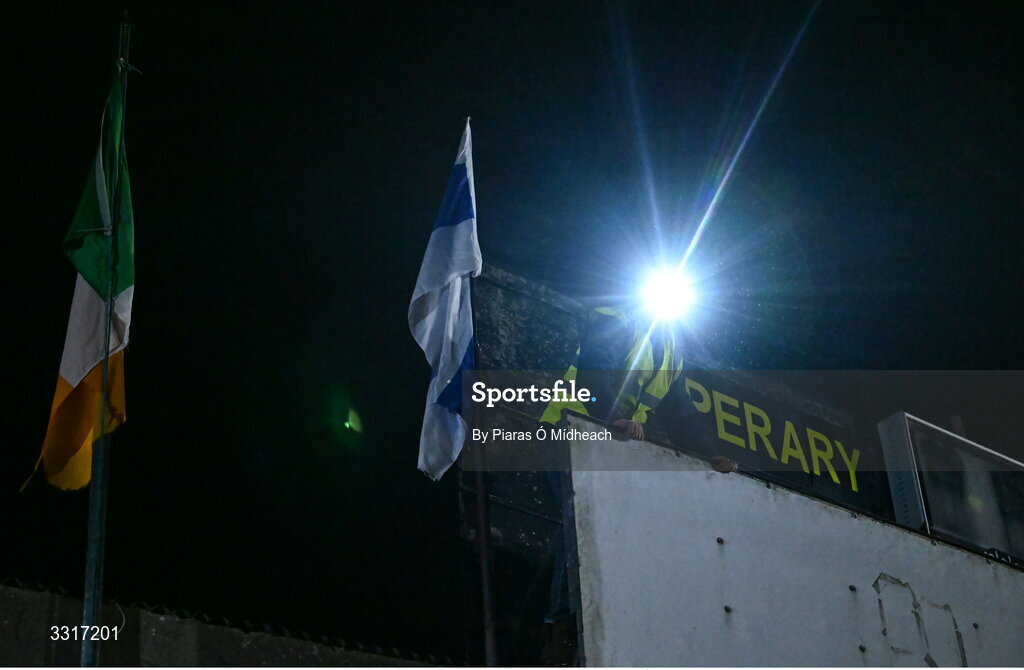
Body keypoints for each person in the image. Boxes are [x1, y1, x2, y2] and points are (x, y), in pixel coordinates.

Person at [537, 303, 737, 665]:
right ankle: (560, 627)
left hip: (606, 443)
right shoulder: (618, 318)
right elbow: (593, 373)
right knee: (577, 518)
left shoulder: (672, 354)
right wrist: (617, 418)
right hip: (564, 430)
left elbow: (681, 414)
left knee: (594, 523)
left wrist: (711, 456)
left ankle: (589, 616)